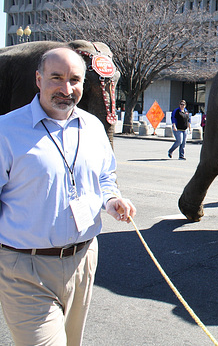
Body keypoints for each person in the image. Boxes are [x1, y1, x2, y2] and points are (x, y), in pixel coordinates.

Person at [0, 47, 136, 346]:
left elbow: (104, 177)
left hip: (83, 260)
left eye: (74, 80)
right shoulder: (6, 131)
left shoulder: (93, 127)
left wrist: (112, 200)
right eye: (56, 78)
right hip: (25, 268)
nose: (66, 89)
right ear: (38, 79)